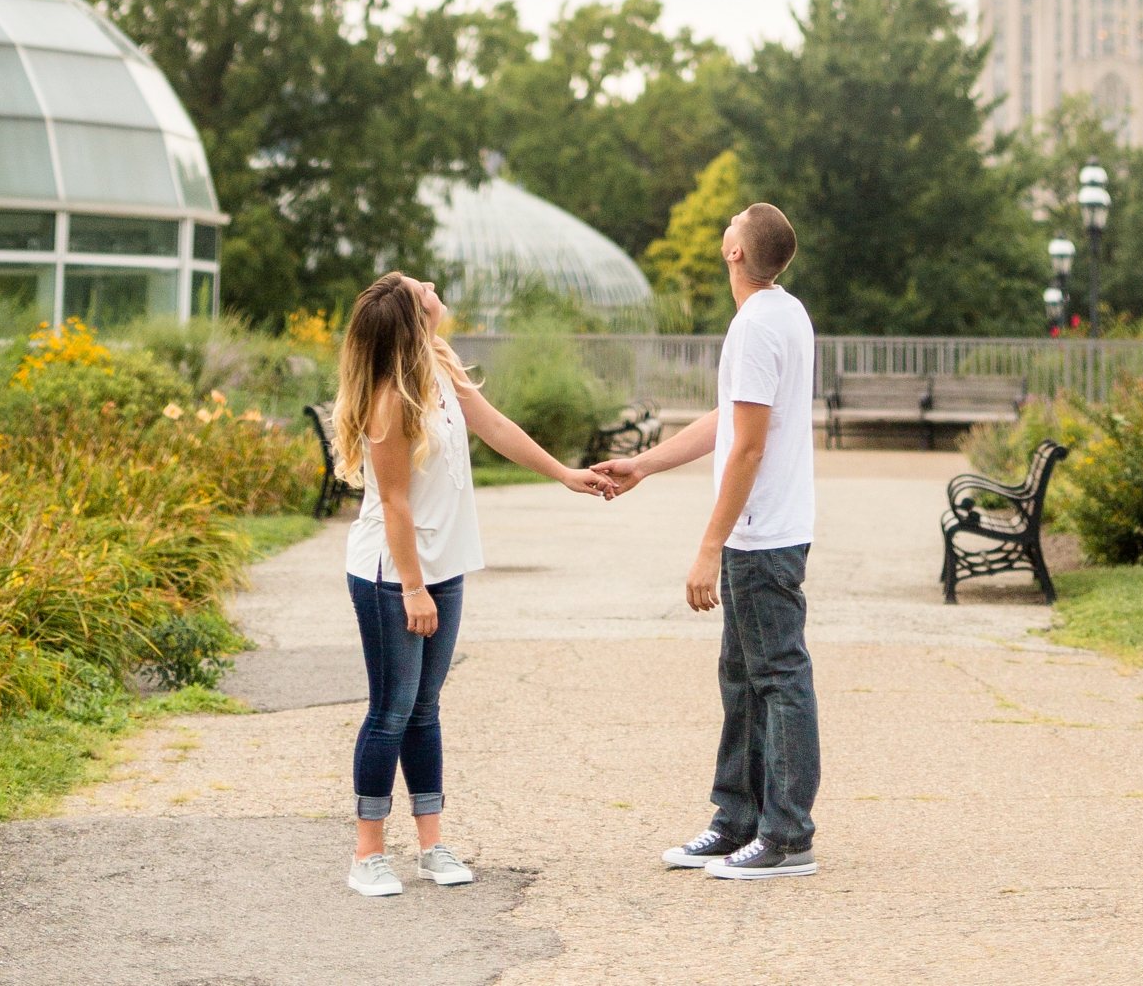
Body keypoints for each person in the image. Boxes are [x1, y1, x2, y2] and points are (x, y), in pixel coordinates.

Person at [335, 269, 612, 898]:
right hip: (392, 574)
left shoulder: (439, 368)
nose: (431, 284)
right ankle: (368, 854)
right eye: (419, 287)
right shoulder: (388, 399)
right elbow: (397, 504)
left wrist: (563, 473)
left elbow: (497, 428)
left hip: (443, 567)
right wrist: (412, 588)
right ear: (412, 317)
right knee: (390, 711)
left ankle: (432, 845)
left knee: (425, 710)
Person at [593, 202, 818, 879]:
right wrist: (646, 464)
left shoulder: (756, 326)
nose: (726, 226)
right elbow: (731, 419)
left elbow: (746, 449)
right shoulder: (785, 312)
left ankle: (787, 836)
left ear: (735, 252)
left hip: (760, 536)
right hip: (771, 531)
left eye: (733, 222)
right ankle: (737, 820)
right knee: (745, 681)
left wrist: (709, 547)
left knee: (777, 678)